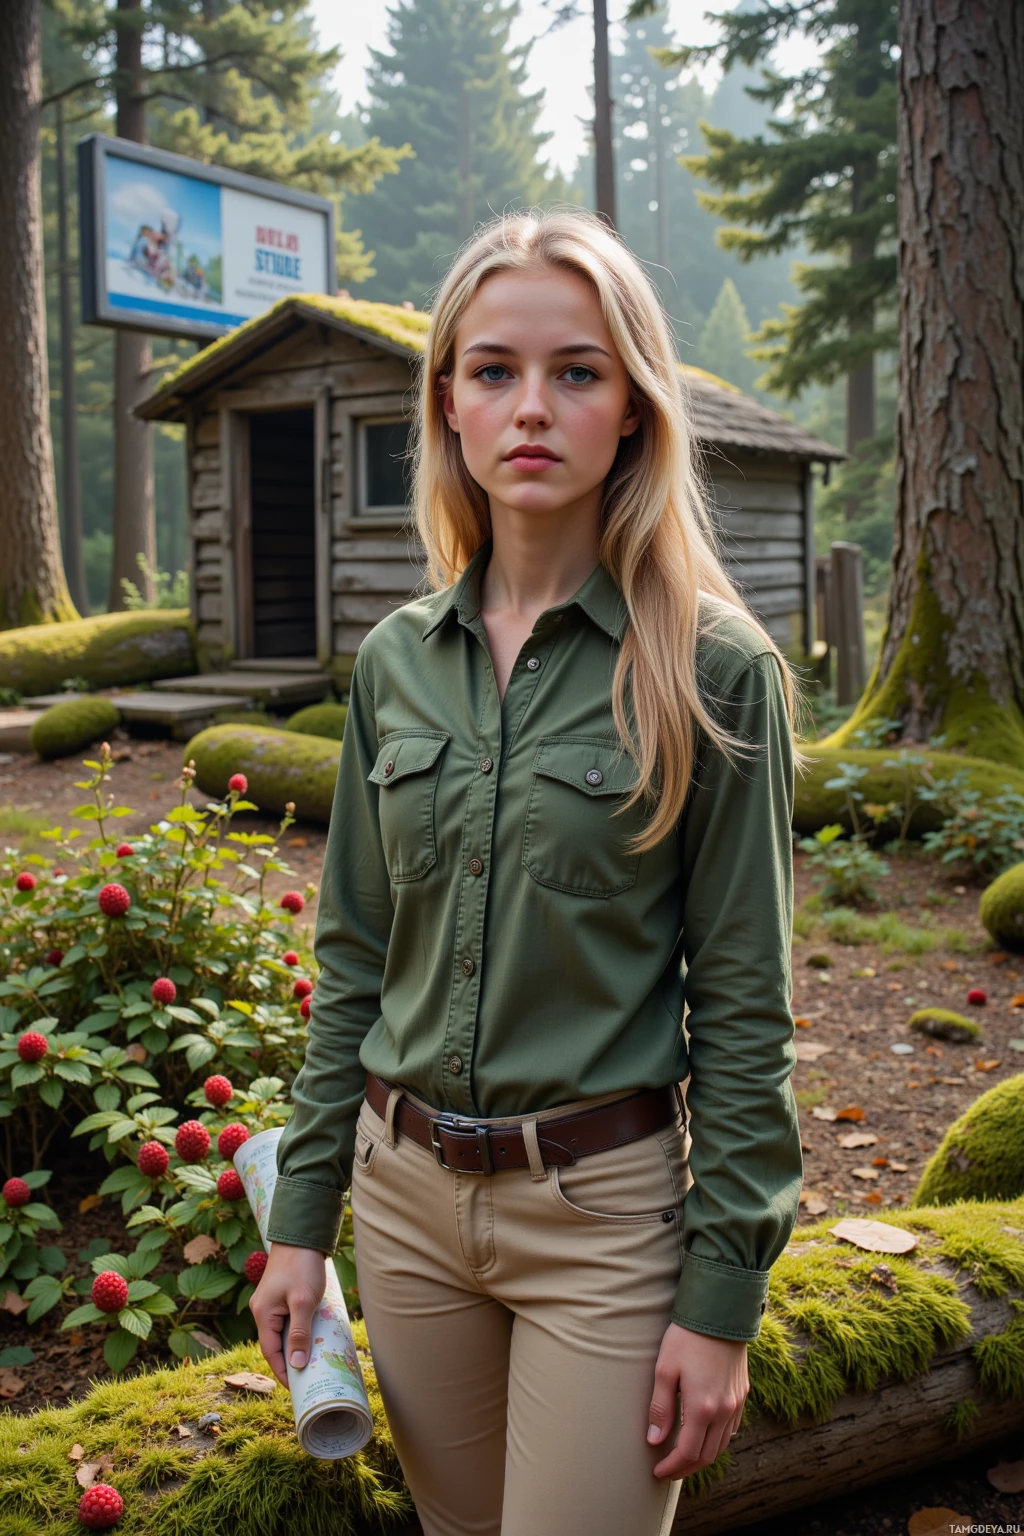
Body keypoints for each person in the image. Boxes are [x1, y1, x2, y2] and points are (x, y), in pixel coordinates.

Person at [251, 206, 808, 1536]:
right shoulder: (396, 663)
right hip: (404, 1211)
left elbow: (746, 1012)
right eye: (495, 370)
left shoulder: (716, 672)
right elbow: (353, 961)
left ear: (636, 410)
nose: (533, 407)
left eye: (579, 371)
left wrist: (723, 1300)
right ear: (448, 404)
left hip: (601, 1223)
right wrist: (303, 1219)